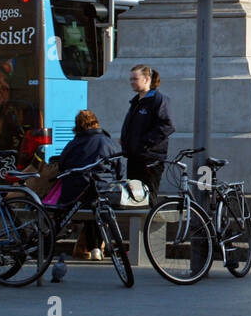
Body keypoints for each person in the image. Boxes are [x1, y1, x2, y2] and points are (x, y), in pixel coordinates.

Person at [54, 110, 119, 261]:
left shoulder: (73, 144)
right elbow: (119, 166)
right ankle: (96, 247)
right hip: (103, 191)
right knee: (97, 204)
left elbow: (62, 165)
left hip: (76, 195)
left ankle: (94, 247)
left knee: (90, 204)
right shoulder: (107, 141)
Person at [121, 64, 173, 196]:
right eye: (131, 79)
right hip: (134, 158)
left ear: (147, 79)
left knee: (148, 196)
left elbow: (167, 126)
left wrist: (144, 143)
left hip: (149, 159)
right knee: (134, 197)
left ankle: (151, 216)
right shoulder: (136, 102)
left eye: (135, 79)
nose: (132, 82)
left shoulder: (158, 100)